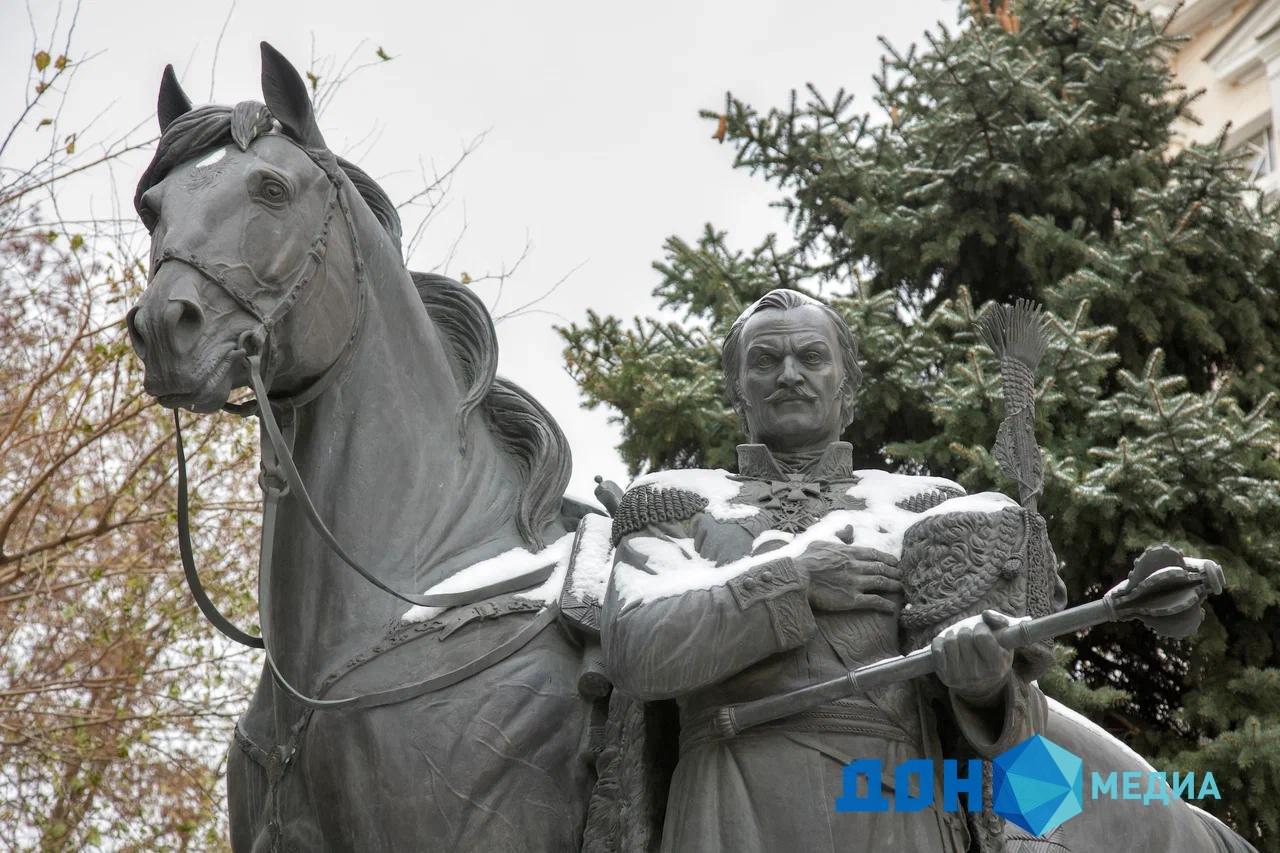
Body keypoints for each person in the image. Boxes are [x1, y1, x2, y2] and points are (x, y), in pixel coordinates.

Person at [599, 289, 1062, 852]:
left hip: (891, 799)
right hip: (731, 796)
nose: (789, 374)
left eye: (812, 357)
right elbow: (636, 646)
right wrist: (798, 581)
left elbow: (1013, 696)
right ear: (737, 389)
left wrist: (984, 681)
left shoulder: (927, 504)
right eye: (765, 361)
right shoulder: (673, 501)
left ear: (846, 384)